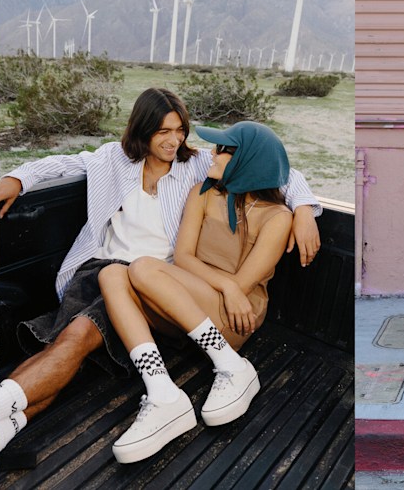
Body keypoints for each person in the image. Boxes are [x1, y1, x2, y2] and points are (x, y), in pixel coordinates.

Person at [0, 88, 321, 456]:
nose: (174, 140)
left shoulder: (195, 167)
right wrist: (17, 177)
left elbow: (274, 168)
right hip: (103, 270)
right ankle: (3, 425)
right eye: (163, 131)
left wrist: (305, 207)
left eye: (180, 130)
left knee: (76, 336)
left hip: (159, 281)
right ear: (142, 130)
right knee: (76, 331)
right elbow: (63, 163)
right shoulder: (112, 161)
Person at [101, 121, 293, 463]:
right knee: (113, 272)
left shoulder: (277, 217)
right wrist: (226, 283)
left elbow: (243, 287)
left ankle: (232, 365)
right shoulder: (204, 194)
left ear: (247, 160)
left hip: (234, 315)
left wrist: (232, 287)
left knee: (143, 266)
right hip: (194, 307)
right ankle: (162, 391)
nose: (213, 155)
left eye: (222, 150)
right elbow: (185, 258)